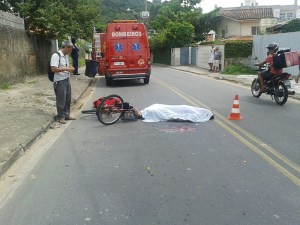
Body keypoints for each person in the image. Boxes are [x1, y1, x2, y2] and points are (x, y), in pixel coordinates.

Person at [50, 40, 76, 124]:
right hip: (59, 81)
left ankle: (67, 114)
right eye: (70, 49)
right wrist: (66, 69)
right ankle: (60, 117)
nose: (70, 51)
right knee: (61, 100)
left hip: (66, 79)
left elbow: (66, 66)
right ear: (66, 47)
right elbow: (53, 69)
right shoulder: (56, 55)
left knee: (68, 99)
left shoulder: (65, 56)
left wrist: (70, 68)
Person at [132, 104, 214, 123]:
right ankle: (204, 112)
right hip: (167, 110)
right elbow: (168, 115)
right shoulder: (148, 113)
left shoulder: (147, 111)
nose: (137, 110)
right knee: (185, 109)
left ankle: (204, 111)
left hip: (169, 109)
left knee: (185, 108)